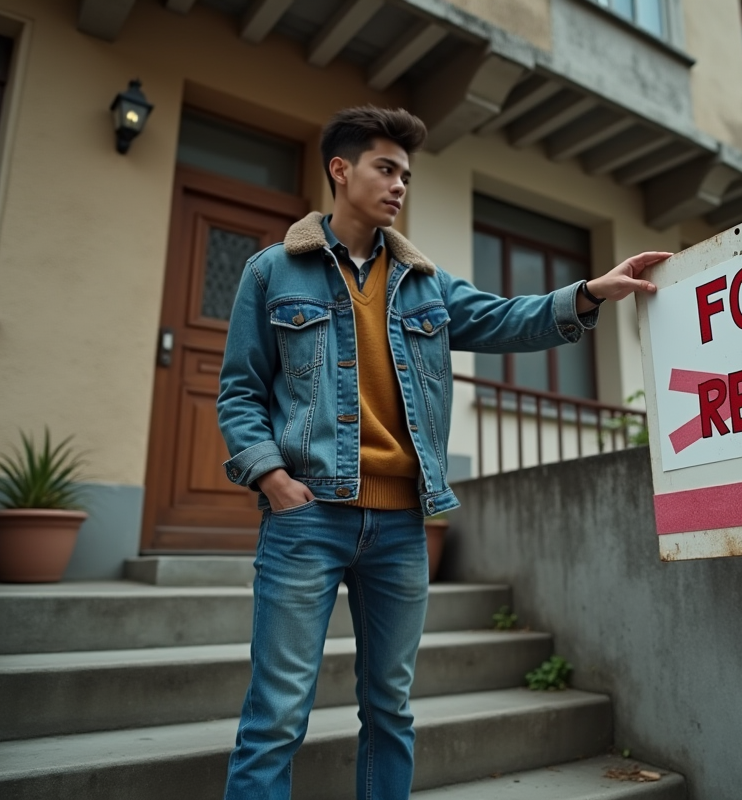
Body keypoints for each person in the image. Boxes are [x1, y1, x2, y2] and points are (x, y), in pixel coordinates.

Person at [216, 105, 669, 799]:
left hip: (400, 527)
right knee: (276, 713)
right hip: (308, 517)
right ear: (341, 170)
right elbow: (240, 392)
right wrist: (272, 477)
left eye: (406, 174)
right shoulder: (273, 272)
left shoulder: (423, 283)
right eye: (385, 168)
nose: (399, 185)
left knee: (390, 709)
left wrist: (587, 293)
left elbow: (503, 317)